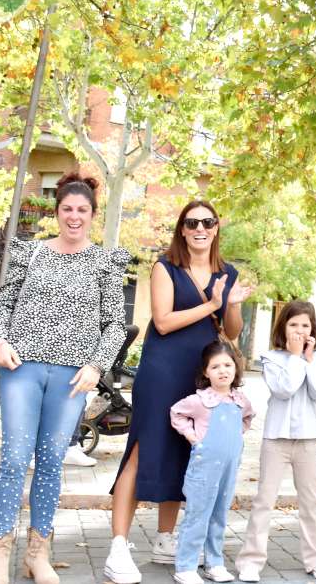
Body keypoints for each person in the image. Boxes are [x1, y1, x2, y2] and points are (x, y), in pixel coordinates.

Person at [0, 173, 131, 584]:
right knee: (14, 459)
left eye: (82, 210)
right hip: (21, 369)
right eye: (67, 208)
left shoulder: (105, 262)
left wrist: (97, 365)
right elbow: (2, 306)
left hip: (72, 378)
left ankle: (37, 553)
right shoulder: (28, 253)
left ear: (92, 215)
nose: (74, 216)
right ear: (57, 211)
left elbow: (114, 325)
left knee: (50, 462)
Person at [106, 200, 252, 584]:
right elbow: (164, 321)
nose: (200, 228)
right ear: (182, 230)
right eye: (192, 223)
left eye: (207, 222)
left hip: (200, 374)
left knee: (185, 450)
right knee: (143, 449)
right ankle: (118, 546)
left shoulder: (226, 273)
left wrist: (231, 305)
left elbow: (231, 331)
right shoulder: (165, 267)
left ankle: (165, 538)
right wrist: (213, 304)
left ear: (217, 227)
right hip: (163, 369)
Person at [235, 301, 316, 582]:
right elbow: (284, 389)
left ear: (313, 329)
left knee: (310, 502)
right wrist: (293, 357)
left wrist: (308, 359)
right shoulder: (271, 358)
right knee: (264, 500)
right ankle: (251, 561)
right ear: (283, 327)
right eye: (293, 325)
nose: (300, 330)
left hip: (307, 441)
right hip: (275, 440)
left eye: (305, 325)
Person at [169, 341, 255, 583]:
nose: (223, 370)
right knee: (198, 514)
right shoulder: (199, 400)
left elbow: (249, 417)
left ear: (236, 369)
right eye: (215, 366)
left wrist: (238, 435)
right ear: (206, 372)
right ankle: (185, 566)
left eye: (228, 365)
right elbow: (176, 412)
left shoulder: (240, 400)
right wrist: (192, 436)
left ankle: (214, 562)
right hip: (203, 469)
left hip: (229, 469)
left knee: (219, 515)